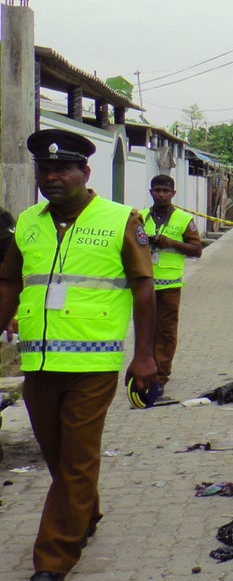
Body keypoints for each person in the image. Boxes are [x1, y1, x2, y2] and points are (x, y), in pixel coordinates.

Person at [0, 129, 156, 581]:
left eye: (62, 169)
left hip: (93, 366)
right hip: (39, 363)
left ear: (85, 173)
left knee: (76, 461)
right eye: (44, 169)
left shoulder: (121, 219)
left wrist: (144, 357)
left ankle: (52, 560)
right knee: (58, 456)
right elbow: (9, 282)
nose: (51, 177)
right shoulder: (28, 222)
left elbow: (145, 288)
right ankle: (85, 513)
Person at [139, 174, 204, 391]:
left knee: (166, 331)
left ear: (173, 194)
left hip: (169, 286)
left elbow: (196, 250)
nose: (161, 194)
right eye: (157, 190)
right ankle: (145, 368)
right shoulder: (140, 218)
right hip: (145, 284)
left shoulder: (184, 219)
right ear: (151, 192)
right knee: (146, 330)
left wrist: (171, 243)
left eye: (165, 191)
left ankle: (161, 374)